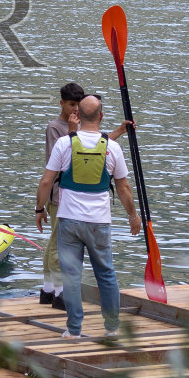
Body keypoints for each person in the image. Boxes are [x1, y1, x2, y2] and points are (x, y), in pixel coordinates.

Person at [34, 95, 141, 338]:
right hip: (99, 223)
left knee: (71, 277)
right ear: (101, 116)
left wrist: (39, 210)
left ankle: (73, 330)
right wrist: (133, 216)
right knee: (106, 274)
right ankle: (112, 328)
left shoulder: (64, 143)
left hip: (69, 222)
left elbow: (46, 181)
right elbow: (123, 188)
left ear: (78, 116)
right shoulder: (112, 147)